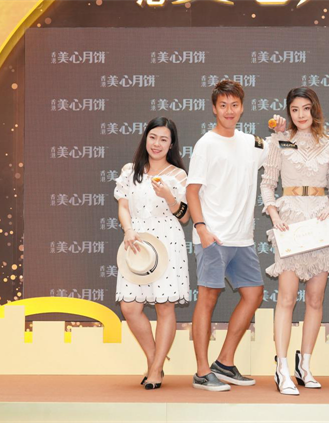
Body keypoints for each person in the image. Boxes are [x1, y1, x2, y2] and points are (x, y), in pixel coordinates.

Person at [260, 87, 329, 395]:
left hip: (320, 224)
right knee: (286, 298)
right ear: (289, 112)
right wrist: (274, 214)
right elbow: (268, 184)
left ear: (315, 110)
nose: (301, 114)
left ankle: (305, 365)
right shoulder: (279, 141)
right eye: (295, 109)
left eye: (306, 108)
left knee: (315, 299)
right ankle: (282, 367)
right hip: (290, 222)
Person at [186, 80, 269, 392]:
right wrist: (201, 228)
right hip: (213, 238)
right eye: (223, 105)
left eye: (234, 105)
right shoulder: (205, 144)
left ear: (242, 107)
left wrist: (283, 131)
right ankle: (201, 371)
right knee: (207, 298)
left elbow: (282, 149)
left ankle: (224, 362)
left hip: (243, 239)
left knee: (254, 294)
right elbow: (192, 190)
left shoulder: (252, 143)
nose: (229, 111)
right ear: (214, 109)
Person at [114, 117, 190, 390]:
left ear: (171, 144)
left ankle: (156, 370)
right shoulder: (130, 171)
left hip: (167, 241)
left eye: (163, 139)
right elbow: (123, 206)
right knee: (129, 306)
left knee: (164, 306)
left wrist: (169, 196)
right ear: (145, 138)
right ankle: (153, 359)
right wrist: (128, 229)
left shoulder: (178, 175)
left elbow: (185, 216)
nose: (157, 144)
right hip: (136, 242)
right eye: (153, 137)